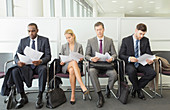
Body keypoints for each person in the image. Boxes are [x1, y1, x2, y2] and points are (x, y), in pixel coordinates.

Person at [7, 23, 51, 109]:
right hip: (26, 66)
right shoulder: (23, 41)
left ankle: (40, 95)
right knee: (15, 71)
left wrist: (41, 61)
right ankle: (23, 96)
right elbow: (16, 55)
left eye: (33, 31)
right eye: (29, 31)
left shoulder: (44, 40)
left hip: (39, 65)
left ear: (37, 30)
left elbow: (48, 56)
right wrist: (18, 61)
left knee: (44, 69)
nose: (31, 33)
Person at [119, 23, 156, 100]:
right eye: (140, 34)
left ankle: (135, 87)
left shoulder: (146, 40)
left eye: (143, 34)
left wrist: (150, 60)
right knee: (132, 71)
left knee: (152, 73)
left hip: (141, 63)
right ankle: (139, 90)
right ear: (136, 30)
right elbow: (121, 55)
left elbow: (149, 53)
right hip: (130, 64)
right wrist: (129, 58)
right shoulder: (126, 40)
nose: (141, 36)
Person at [85, 22, 117, 108]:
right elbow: (86, 55)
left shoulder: (109, 40)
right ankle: (99, 95)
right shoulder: (90, 41)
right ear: (95, 30)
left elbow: (114, 54)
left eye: (100, 29)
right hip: (95, 65)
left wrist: (112, 58)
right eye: (97, 30)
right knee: (91, 72)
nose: (99, 32)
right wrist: (92, 58)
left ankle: (108, 88)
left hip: (107, 65)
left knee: (114, 74)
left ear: (104, 29)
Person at [60, 29, 89, 105]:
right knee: (72, 62)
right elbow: (60, 57)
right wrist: (62, 61)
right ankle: (82, 85)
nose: (68, 39)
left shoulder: (79, 46)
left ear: (73, 36)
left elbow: (82, 57)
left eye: (69, 37)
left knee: (72, 70)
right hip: (66, 65)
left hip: (76, 67)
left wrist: (81, 59)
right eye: (66, 38)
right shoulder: (63, 46)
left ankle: (72, 95)